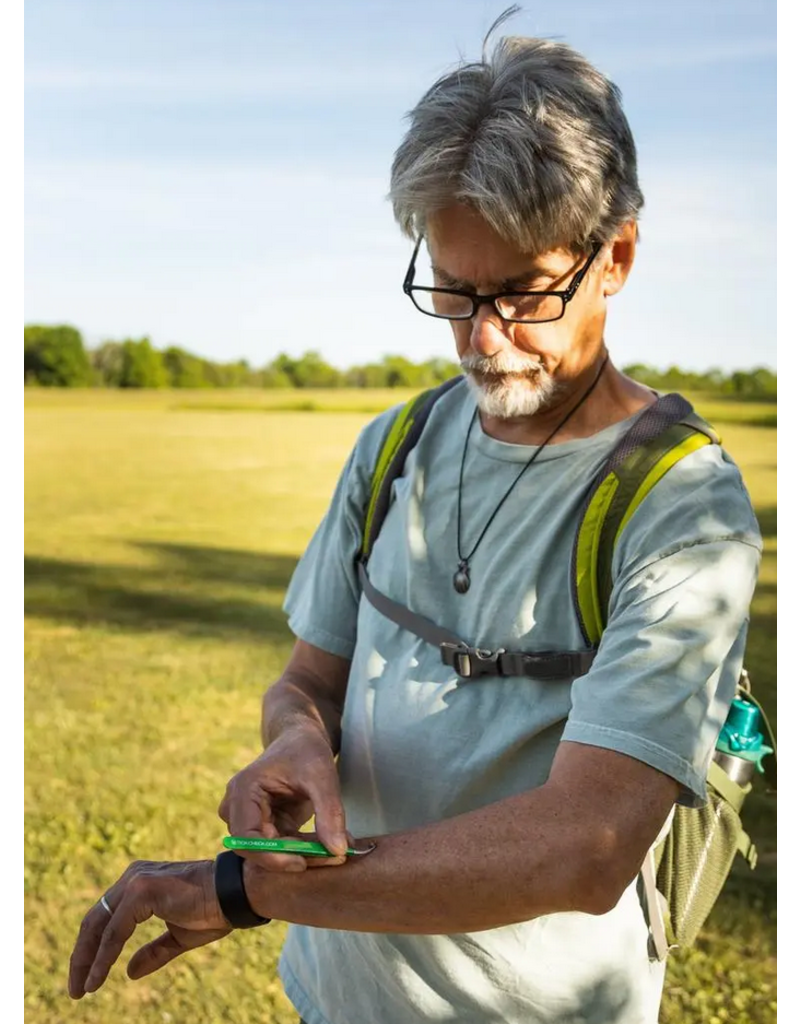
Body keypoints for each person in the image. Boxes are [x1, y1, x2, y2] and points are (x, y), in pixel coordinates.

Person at [67, 18, 762, 1024]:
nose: (479, 338)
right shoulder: (396, 445)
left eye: (523, 293)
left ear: (612, 258)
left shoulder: (680, 506)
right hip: (336, 996)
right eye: (450, 287)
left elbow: (590, 843)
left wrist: (244, 888)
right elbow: (309, 677)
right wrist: (293, 740)